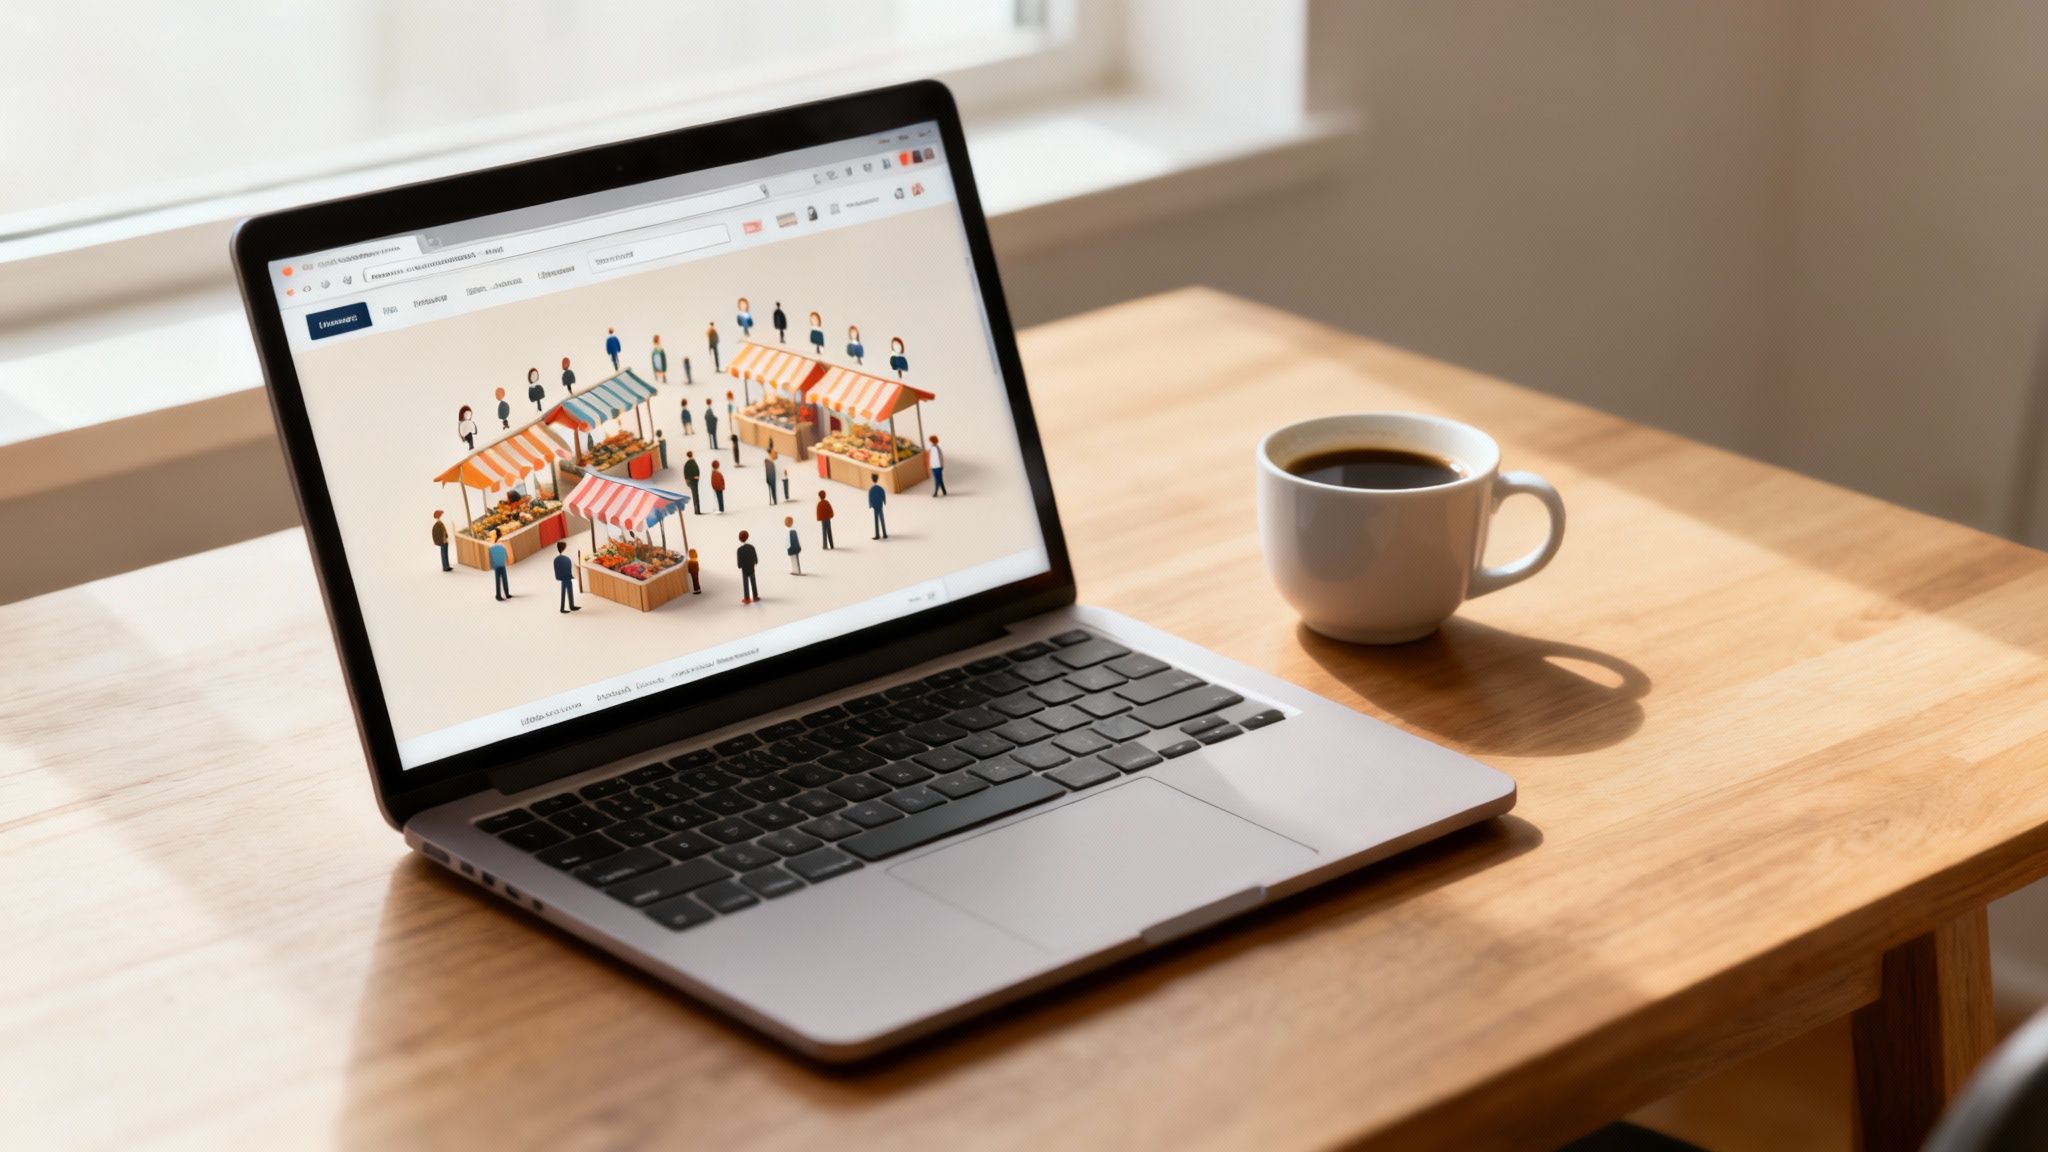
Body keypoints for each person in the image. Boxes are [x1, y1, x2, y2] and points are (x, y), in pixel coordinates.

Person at [554, 541, 580, 613]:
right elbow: (569, 569)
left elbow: (557, 570)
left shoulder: (557, 559)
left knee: (568, 592)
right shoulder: (566, 559)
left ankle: (571, 606)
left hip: (564, 578)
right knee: (565, 592)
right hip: (566, 578)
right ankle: (563, 608)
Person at [736, 530, 760, 604]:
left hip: (744, 568)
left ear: (740, 539)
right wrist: (755, 562)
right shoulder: (751, 547)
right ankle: (755, 597)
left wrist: (739, 565)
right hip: (751, 567)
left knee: (745, 583)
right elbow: (755, 557)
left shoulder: (739, 550)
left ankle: (747, 598)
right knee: (753, 581)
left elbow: (739, 560)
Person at [489, 530, 512, 600]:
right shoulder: (493, 544)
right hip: (498, 564)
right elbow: (491, 556)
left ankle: (506, 594)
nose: (492, 535)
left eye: (493, 534)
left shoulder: (498, 543)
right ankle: (498, 595)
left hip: (500, 563)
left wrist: (506, 559)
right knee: (498, 580)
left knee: (504, 579)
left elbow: (504, 552)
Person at [868, 473, 888, 540]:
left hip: (875, 505)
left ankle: (877, 535)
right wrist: (884, 502)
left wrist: (870, 505)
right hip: (880, 505)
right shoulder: (880, 488)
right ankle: (884, 534)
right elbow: (883, 495)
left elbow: (870, 497)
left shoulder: (871, 489)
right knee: (881, 519)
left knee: (876, 520)